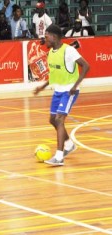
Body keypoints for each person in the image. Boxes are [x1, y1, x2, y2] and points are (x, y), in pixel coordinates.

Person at [33, 24, 90, 166]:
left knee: (59, 120)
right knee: (52, 120)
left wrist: (75, 86)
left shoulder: (69, 50)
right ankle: (69, 144)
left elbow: (86, 66)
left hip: (69, 90)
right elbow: (54, 75)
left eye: (46, 37)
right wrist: (42, 87)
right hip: (58, 90)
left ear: (54, 36)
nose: (45, 40)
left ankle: (59, 157)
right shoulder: (51, 53)